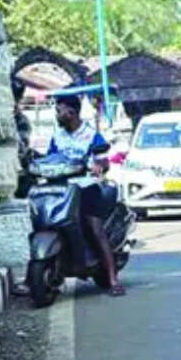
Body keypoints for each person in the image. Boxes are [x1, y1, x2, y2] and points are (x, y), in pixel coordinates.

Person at [44, 94, 125, 296]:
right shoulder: (57, 136)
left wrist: (99, 166)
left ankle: (113, 279)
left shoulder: (91, 135)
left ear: (71, 112)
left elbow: (103, 161)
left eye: (59, 111)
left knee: (94, 226)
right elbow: (49, 159)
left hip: (86, 187)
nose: (57, 115)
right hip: (61, 188)